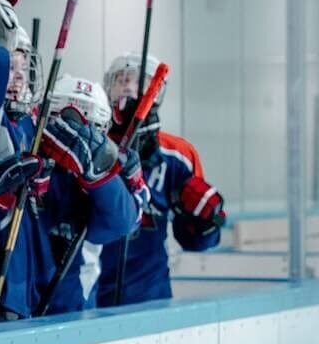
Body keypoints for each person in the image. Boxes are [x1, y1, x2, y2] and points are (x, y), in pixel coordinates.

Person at [0, 74, 143, 320]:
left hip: (74, 312)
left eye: (89, 124)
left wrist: (99, 173)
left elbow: (122, 223)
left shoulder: (95, 182)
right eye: (64, 119)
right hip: (11, 308)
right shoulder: (24, 154)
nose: (76, 133)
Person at [96, 53, 225, 306]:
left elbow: (193, 241)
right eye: (120, 80)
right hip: (91, 297)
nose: (127, 87)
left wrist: (206, 223)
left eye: (135, 81)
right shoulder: (92, 146)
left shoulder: (177, 155)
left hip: (151, 296)